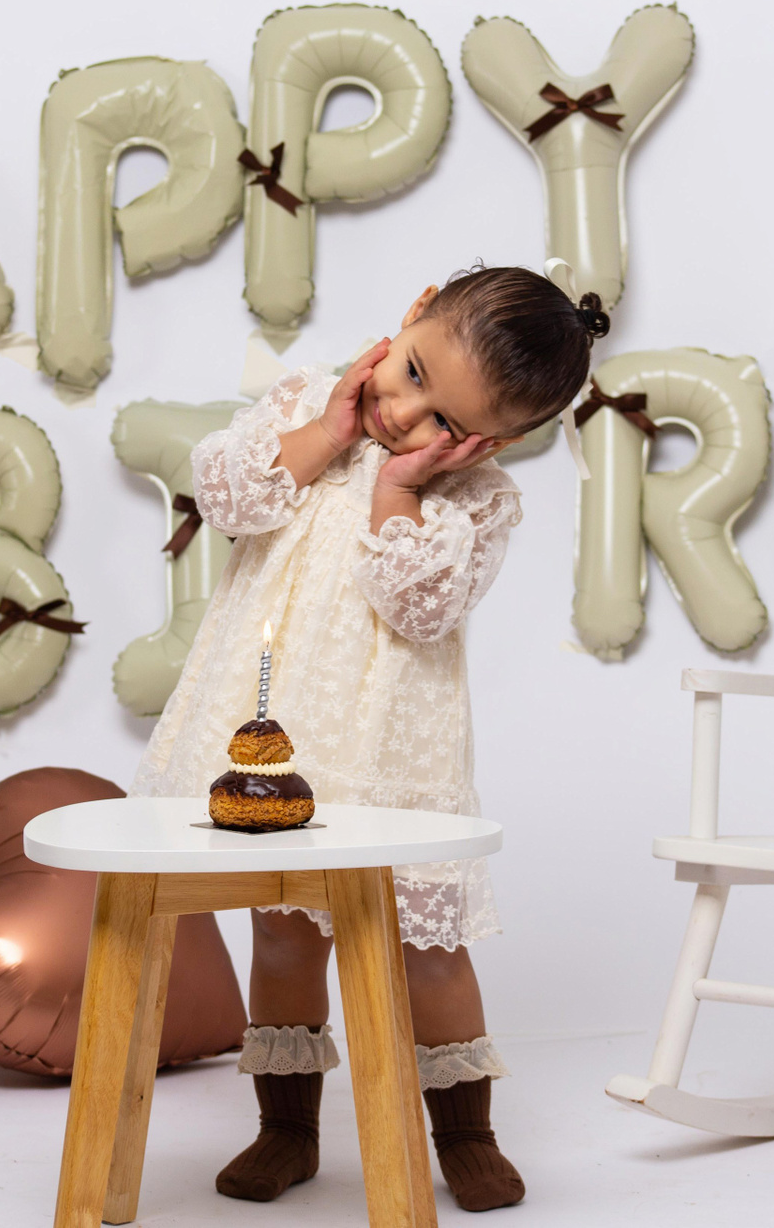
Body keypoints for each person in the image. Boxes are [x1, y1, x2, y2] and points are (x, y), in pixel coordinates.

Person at [134, 265, 608, 1212]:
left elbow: (417, 606)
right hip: (275, 731)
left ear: (496, 441)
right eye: (414, 371)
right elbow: (226, 498)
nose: (405, 414)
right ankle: (287, 1126)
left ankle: (466, 1132)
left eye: (445, 421)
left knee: (426, 948)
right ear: (412, 311)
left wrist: (399, 486)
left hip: (389, 750)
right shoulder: (305, 405)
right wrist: (328, 433)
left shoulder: (475, 501)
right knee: (281, 931)